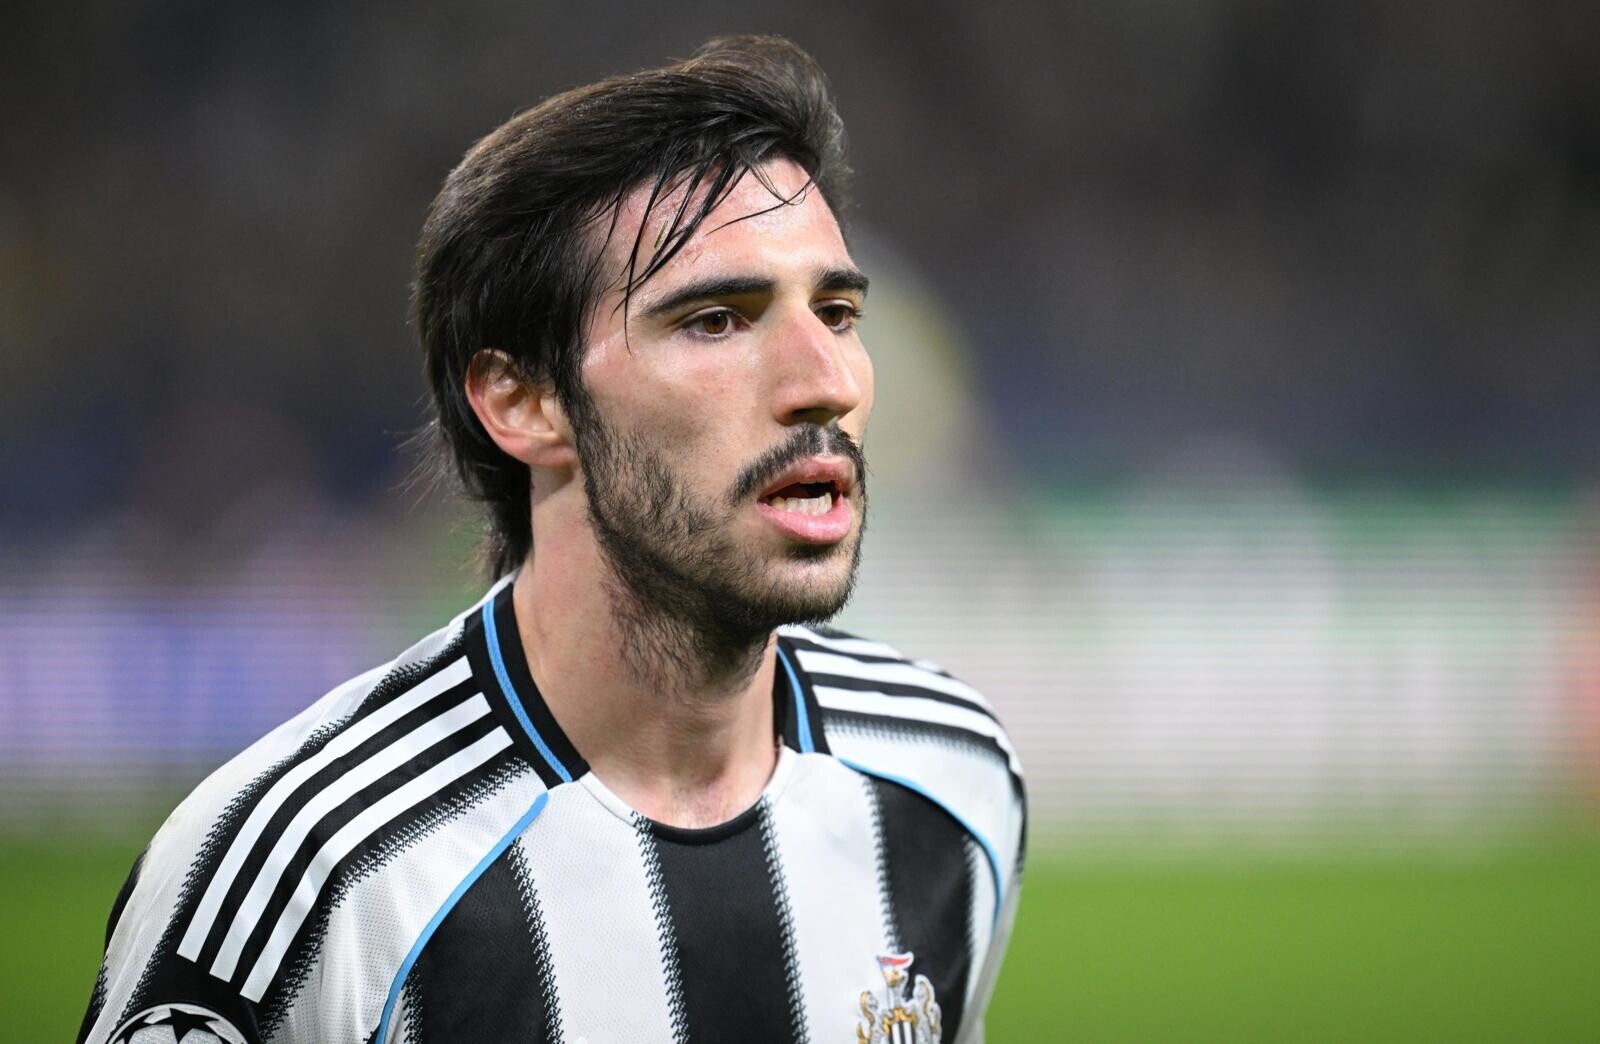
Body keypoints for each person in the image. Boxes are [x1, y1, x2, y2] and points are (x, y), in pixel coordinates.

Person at [78, 36, 1024, 1044]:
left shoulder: (949, 778)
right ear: (522, 400)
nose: (826, 382)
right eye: (716, 320)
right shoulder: (310, 876)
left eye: (835, 312)